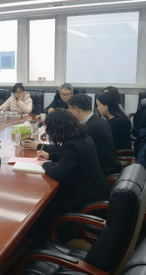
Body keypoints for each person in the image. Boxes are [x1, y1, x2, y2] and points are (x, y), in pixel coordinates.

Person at [30, 109, 110, 241]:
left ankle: (41, 240)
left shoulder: (72, 145)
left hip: (84, 198)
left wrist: (45, 164)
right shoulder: (82, 137)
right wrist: (50, 155)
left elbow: (59, 174)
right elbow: (68, 156)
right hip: (96, 190)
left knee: (45, 205)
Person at [67, 94, 122, 176]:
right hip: (108, 166)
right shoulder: (99, 121)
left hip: (101, 172)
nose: (69, 112)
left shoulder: (88, 128)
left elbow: (72, 152)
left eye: (70, 109)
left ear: (77, 110)